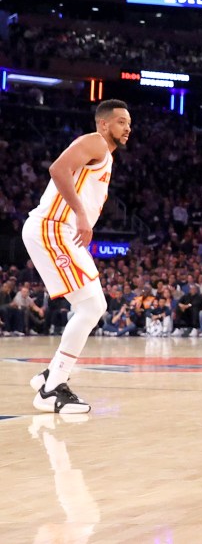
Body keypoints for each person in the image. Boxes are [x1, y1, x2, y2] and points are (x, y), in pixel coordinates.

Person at [23, 99, 132, 414]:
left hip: (61, 231)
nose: (128, 128)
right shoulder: (95, 141)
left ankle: (51, 375)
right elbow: (57, 169)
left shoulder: (106, 155)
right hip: (53, 227)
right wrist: (81, 215)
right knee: (91, 306)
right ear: (104, 124)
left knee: (94, 306)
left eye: (129, 123)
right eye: (121, 122)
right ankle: (51, 389)